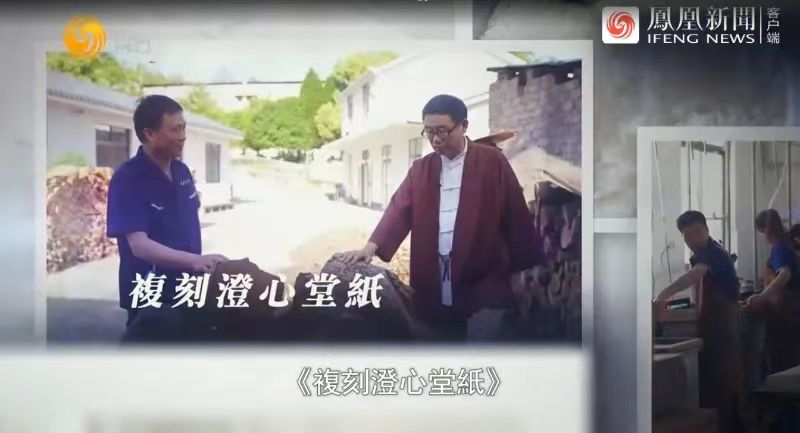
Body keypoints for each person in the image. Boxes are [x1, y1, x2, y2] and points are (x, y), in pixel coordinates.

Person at [339, 94, 539, 340]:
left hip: (483, 274)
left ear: (463, 126)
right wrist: (371, 247)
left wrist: (521, 268)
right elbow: (399, 208)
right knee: (439, 336)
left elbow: (515, 213)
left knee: (482, 341)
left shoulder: (492, 161)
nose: (435, 139)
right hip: (434, 271)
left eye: (442, 131)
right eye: (429, 131)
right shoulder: (421, 169)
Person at [106, 95, 228, 343]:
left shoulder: (182, 172)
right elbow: (139, 246)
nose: (183, 136)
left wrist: (204, 264)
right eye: (175, 129)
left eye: (184, 128)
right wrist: (196, 261)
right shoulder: (128, 179)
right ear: (150, 134)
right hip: (152, 299)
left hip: (189, 290)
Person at [653, 210, 744, 433]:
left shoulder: (713, 253)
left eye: (697, 233)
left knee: (724, 386)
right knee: (718, 387)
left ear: (706, 230)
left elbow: (694, 275)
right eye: (687, 236)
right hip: (713, 329)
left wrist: (662, 296)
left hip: (723, 331)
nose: (693, 239)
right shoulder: (705, 253)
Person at [745, 209, 800, 374]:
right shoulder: (789, 244)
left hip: (786, 311)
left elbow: (784, 274)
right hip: (793, 309)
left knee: (783, 358)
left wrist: (762, 296)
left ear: (764, 231)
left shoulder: (779, 248)